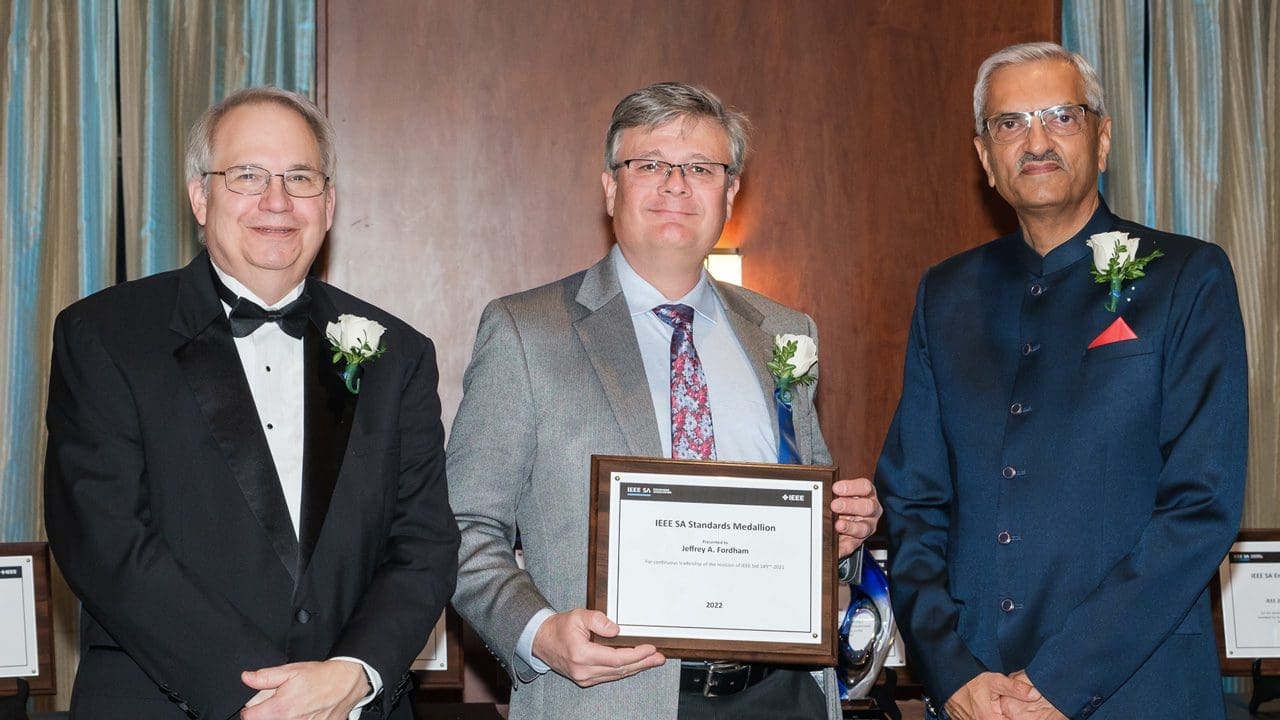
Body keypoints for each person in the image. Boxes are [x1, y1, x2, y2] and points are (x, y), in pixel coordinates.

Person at [447, 82, 882, 720]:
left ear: (730, 193)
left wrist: (839, 534)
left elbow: (804, 522)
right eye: (649, 164)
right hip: (607, 698)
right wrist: (539, 633)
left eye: (701, 168)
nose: (676, 185)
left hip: (785, 697)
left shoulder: (788, 334)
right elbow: (462, 527)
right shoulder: (525, 331)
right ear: (609, 188)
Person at [44, 87, 460, 720]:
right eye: (247, 176)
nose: (277, 201)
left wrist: (353, 675)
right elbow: (106, 544)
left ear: (328, 204)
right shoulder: (104, 336)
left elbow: (424, 543)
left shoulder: (396, 353)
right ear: (200, 197)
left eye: (300, 177)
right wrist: (260, 695)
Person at [876, 42, 1247, 720]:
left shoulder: (1186, 277)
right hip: (975, 698)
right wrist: (951, 669)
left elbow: (1201, 504)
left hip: (1138, 690)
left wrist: (1060, 681)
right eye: (1009, 124)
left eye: (1060, 117)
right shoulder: (946, 294)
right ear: (986, 159)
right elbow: (913, 502)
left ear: (1102, 139)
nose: (1036, 141)